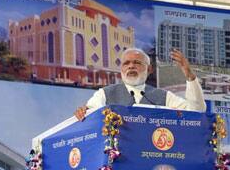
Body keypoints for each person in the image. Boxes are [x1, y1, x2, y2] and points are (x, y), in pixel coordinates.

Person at [74, 48, 206, 120]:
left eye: (137, 63)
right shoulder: (104, 94)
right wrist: (83, 113)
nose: (131, 66)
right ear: (121, 69)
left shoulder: (164, 97)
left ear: (149, 70)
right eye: (126, 63)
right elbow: (89, 115)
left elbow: (196, 112)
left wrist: (189, 75)